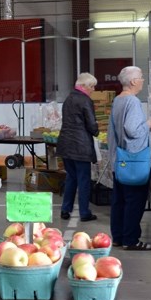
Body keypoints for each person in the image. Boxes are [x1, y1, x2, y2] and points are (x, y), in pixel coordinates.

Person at [108, 66, 151, 251]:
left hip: (119, 158)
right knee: (134, 201)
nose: (143, 80)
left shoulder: (118, 100)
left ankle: (118, 237)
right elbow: (133, 130)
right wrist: (148, 124)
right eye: (141, 77)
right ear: (134, 81)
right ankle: (131, 239)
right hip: (134, 159)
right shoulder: (133, 101)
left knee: (119, 200)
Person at [56, 73, 100, 222]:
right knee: (84, 180)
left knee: (71, 178)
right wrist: (97, 131)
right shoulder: (85, 100)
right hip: (81, 146)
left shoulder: (68, 99)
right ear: (83, 86)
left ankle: (65, 209)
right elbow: (91, 124)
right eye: (91, 86)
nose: (93, 89)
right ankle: (84, 212)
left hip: (66, 145)